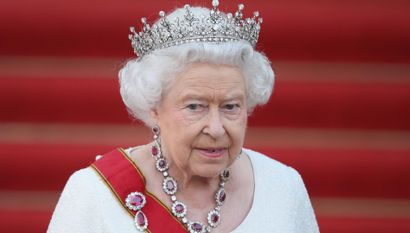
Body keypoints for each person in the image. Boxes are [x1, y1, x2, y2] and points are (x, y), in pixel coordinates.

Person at [47, 1, 319, 232]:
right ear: (154, 107)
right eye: (194, 107)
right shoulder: (94, 193)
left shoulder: (283, 187)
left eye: (231, 107)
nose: (216, 128)